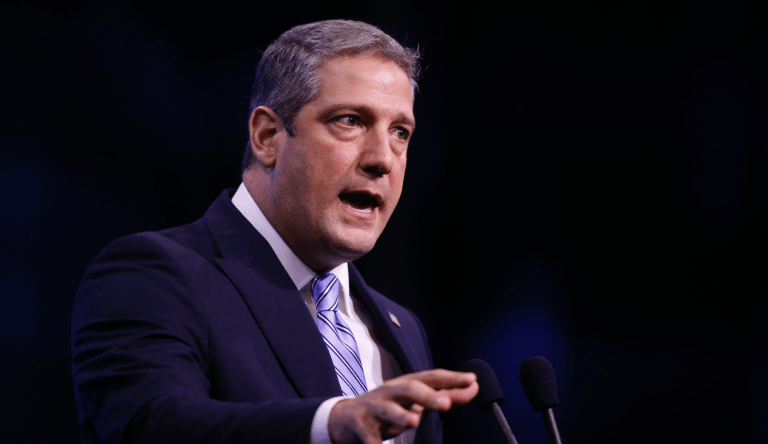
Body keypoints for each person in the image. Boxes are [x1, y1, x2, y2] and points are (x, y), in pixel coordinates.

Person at [71, 19, 478, 444]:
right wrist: (331, 424)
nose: (383, 159)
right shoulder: (154, 275)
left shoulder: (402, 327)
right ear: (267, 136)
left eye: (400, 132)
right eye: (351, 120)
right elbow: (154, 426)